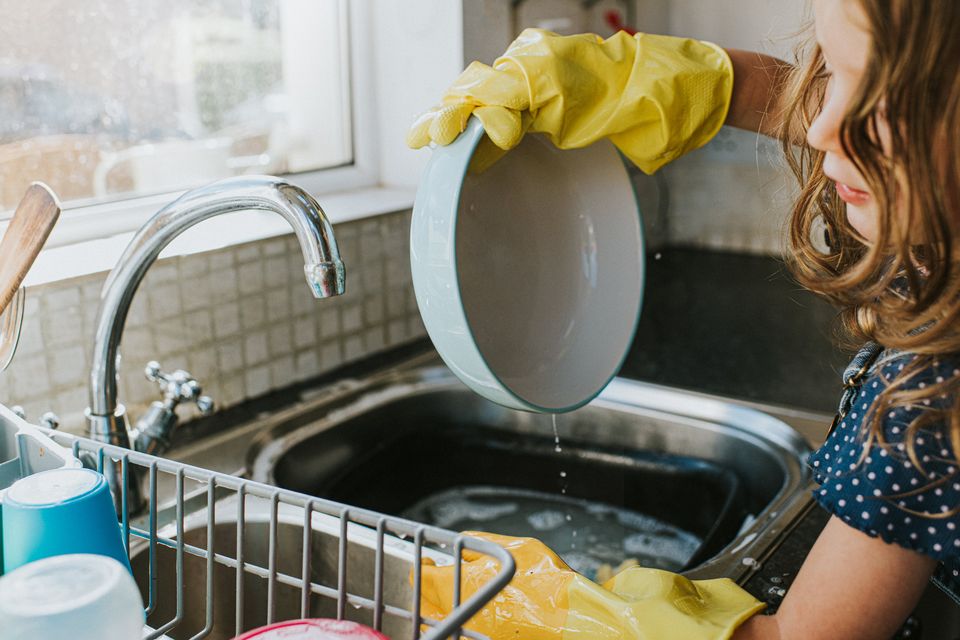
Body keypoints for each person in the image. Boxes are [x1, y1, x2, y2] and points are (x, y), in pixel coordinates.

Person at [408, 1, 960, 638]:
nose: (820, 127)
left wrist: (555, 615)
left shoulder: (938, 398)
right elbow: (791, 102)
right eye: (834, 73)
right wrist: (653, 77)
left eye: (884, 101)